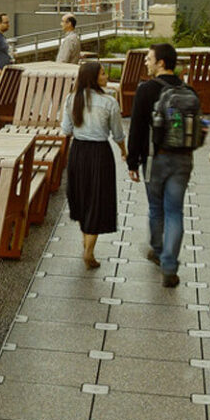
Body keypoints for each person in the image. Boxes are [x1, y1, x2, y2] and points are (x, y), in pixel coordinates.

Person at [126, 43, 193, 288]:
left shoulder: (146, 90)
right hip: (183, 160)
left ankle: (157, 249)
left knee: (157, 209)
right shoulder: (187, 89)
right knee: (175, 211)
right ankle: (169, 265)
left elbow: (136, 129)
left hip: (155, 160)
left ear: (161, 63)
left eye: (149, 58)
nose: (146, 61)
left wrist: (132, 161)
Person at [60, 60, 126, 269]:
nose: (106, 76)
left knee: (81, 196)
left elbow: (66, 130)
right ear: (94, 77)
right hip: (100, 153)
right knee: (98, 199)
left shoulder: (71, 99)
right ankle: (89, 250)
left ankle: (85, 240)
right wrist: (124, 152)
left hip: (78, 152)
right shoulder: (109, 102)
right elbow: (118, 134)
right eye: (103, 73)